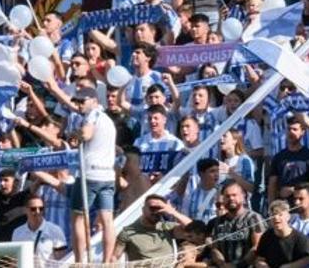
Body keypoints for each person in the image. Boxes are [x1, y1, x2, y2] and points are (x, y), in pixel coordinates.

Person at [68, 87, 118, 264]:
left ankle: (80, 261)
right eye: (77, 101)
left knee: (78, 217)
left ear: (95, 101)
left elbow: (86, 134)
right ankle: (106, 262)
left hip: (89, 173)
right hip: (107, 175)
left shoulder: (93, 114)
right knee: (107, 219)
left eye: (83, 101)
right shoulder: (109, 121)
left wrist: (75, 134)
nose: (79, 105)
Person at [113, 194, 193, 264]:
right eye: (152, 208)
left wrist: (173, 212)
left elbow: (194, 229)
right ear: (143, 209)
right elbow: (114, 258)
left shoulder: (167, 227)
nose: (156, 212)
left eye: (159, 208)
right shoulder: (128, 232)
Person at [207, 180, 265, 267]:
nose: (231, 198)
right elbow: (214, 248)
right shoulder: (217, 222)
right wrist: (222, 264)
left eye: (234, 195)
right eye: (227, 196)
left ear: (243, 196)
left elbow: (257, 247)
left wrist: (237, 265)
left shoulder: (254, 218)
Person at [254, 200, 309, 268]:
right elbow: (259, 259)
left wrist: (289, 266)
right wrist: (263, 265)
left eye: (280, 215)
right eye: (272, 215)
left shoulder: (299, 238)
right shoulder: (266, 236)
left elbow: (308, 260)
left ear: (288, 217)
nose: (276, 218)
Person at [11, 195, 67, 261]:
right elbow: (14, 260)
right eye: (33, 209)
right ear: (25, 210)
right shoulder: (17, 232)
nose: (38, 212)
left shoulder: (55, 230)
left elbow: (61, 262)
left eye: (41, 208)